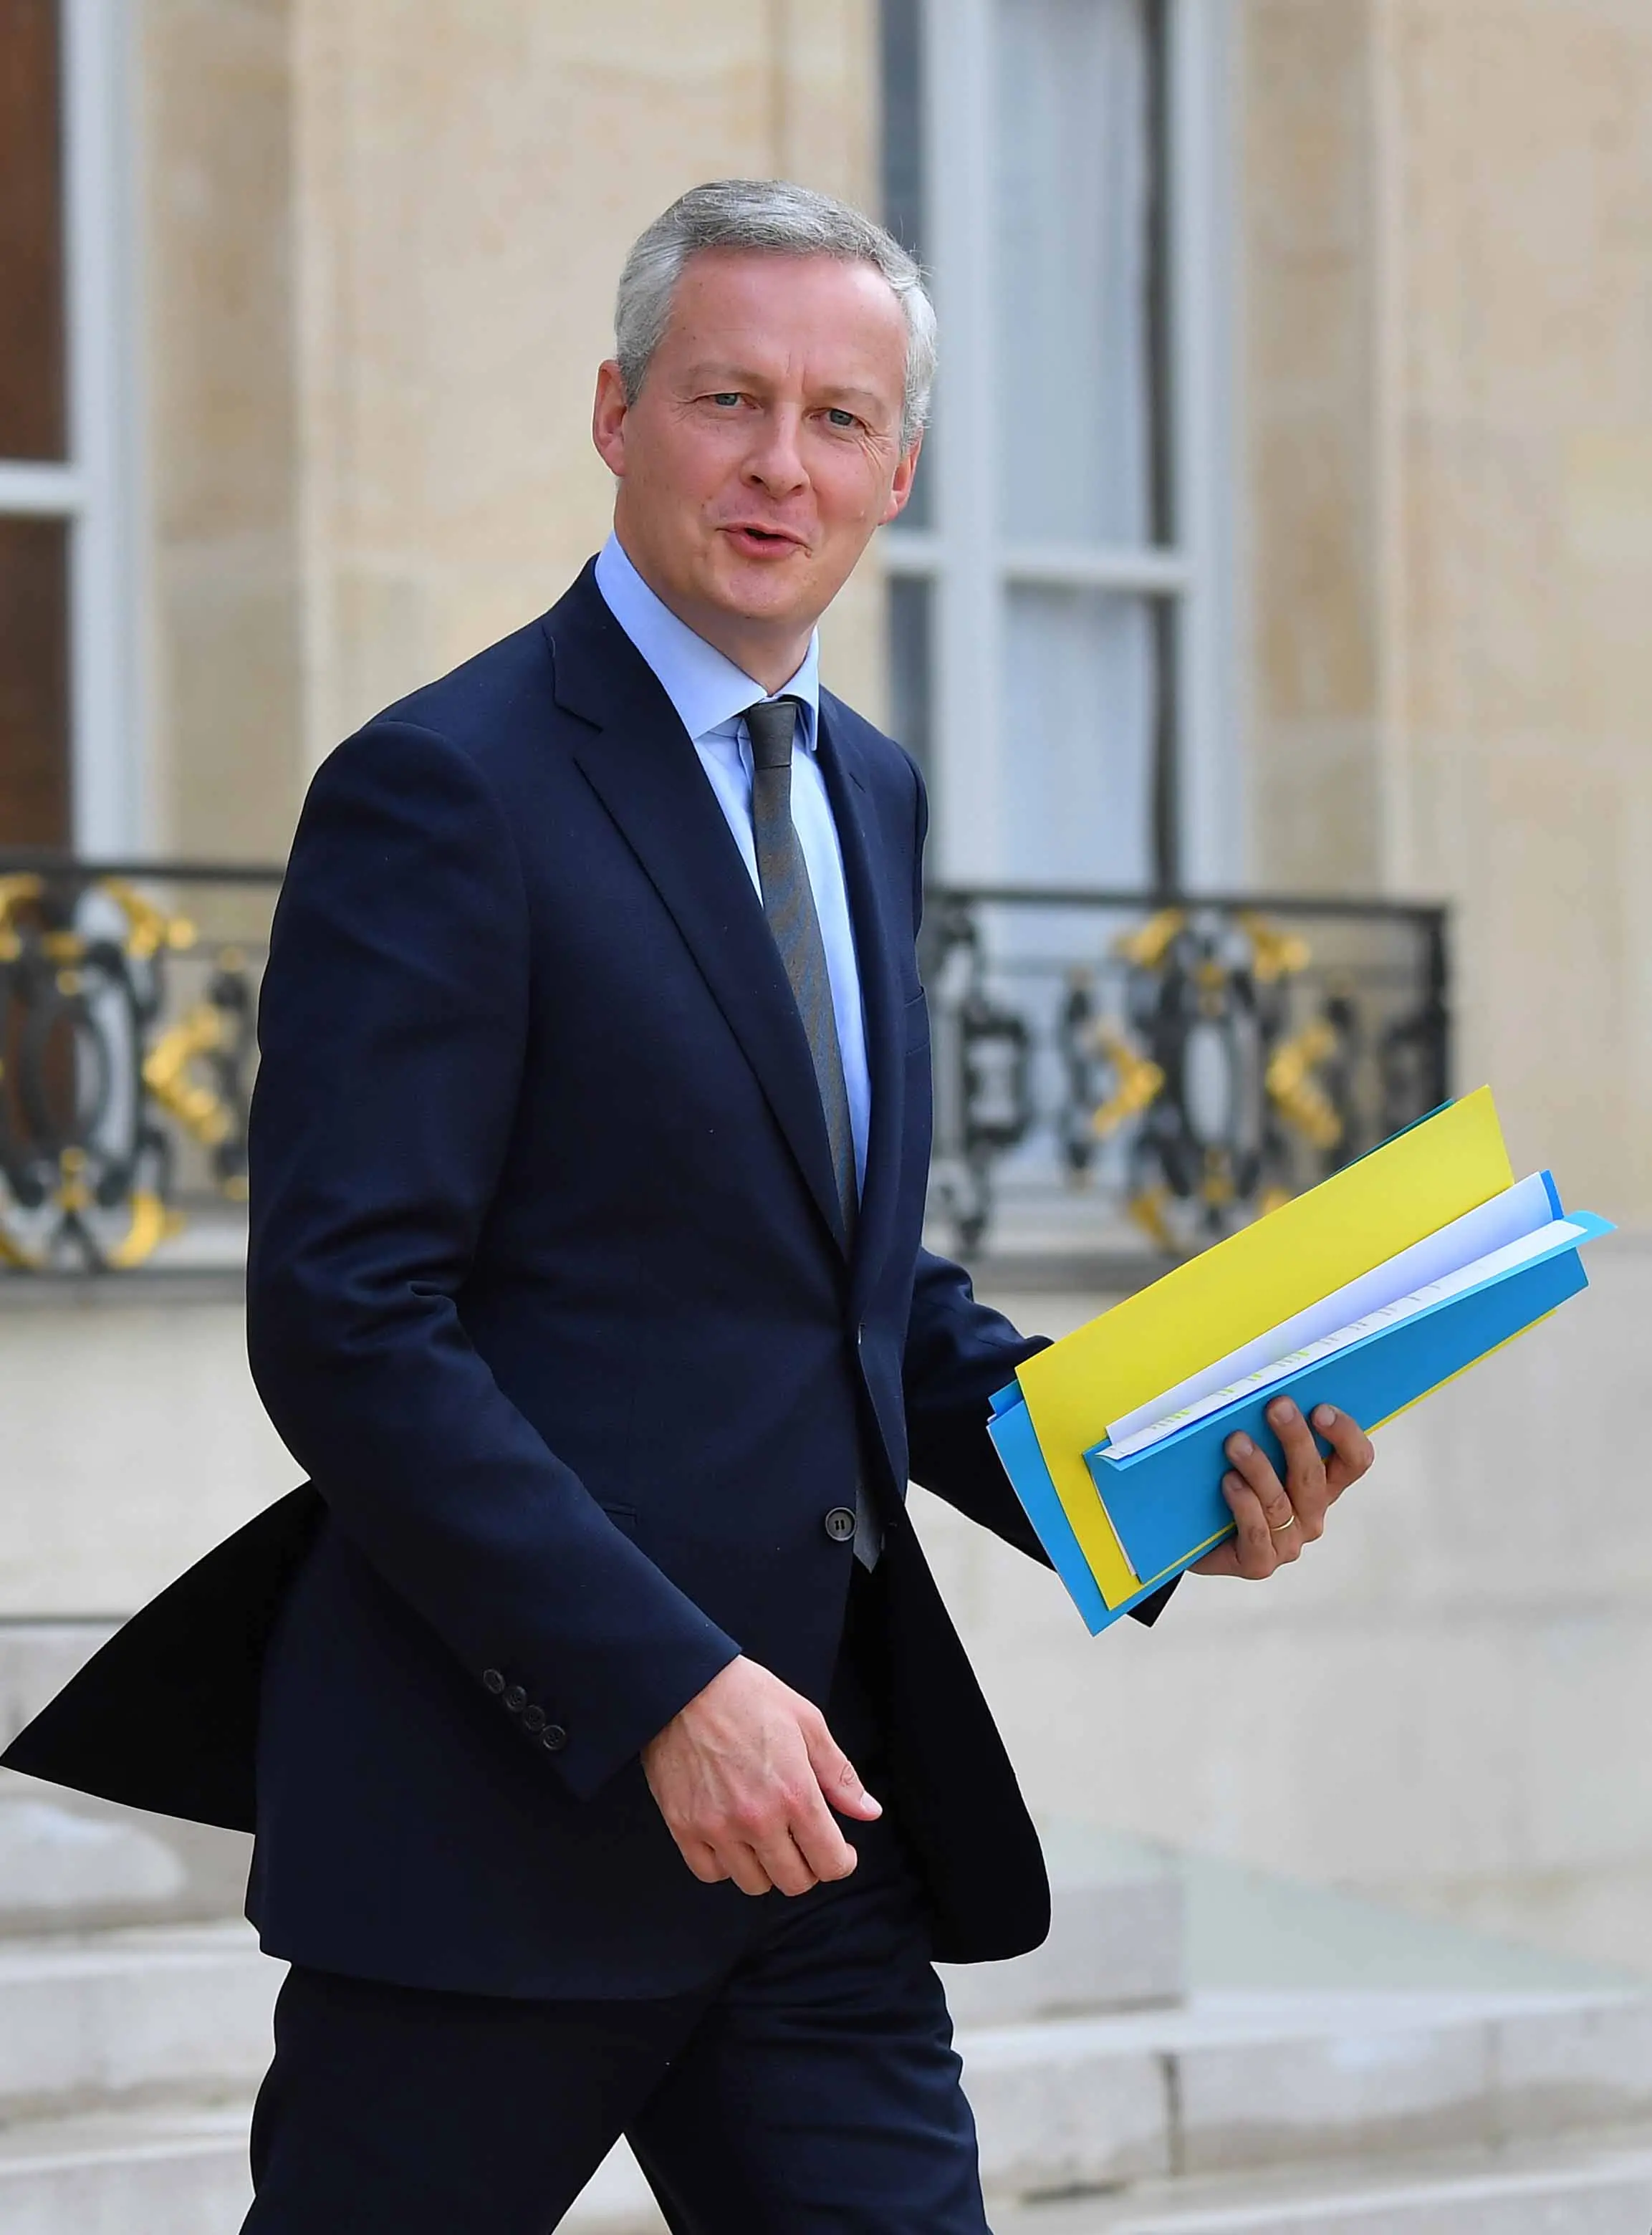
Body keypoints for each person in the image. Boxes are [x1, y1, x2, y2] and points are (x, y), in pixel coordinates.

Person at [42, 179, 1379, 2232]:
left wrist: (1174, 1478)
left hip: (815, 1839)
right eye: (727, 398)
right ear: (615, 411)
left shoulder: (870, 790)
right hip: (497, 1835)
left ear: (901, 471)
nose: (782, 465)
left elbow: (845, 1299)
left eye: (840, 421)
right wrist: (663, 1691)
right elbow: (347, 1319)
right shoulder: (445, 789)